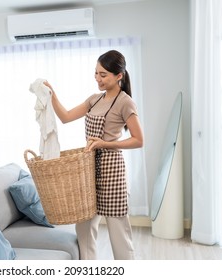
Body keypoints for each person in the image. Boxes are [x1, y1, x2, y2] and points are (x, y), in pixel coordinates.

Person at [43, 50, 144, 260]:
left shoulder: (125, 102)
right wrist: (52, 93)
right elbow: (65, 117)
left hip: (111, 171)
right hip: (87, 171)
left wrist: (104, 143)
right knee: (85, 230)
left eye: (104, 75)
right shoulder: (94, 100)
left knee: (119, 232)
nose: (98, 79)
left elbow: (138, 140)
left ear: (119, 76)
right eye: (96, 73)